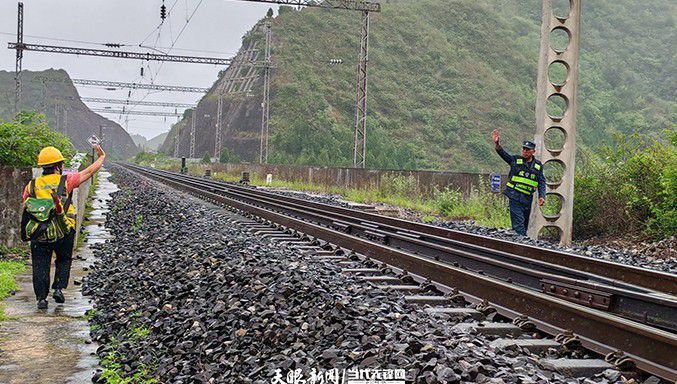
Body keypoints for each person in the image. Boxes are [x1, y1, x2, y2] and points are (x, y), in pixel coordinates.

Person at [22, 145, 105, 309]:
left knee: (40, 263)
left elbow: (27, 204)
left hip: (40, 231)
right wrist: (101, 157)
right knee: (64, 259)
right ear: (58, 166)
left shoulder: (32, 185)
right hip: (64, 228)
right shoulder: (66, 180)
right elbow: (89, 172)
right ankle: (58, 288)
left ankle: (41, 299)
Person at [491, 130, 545, 236]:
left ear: (533, 151)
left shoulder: (538, 166)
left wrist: (542, 196)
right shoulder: (515, 160)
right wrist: (497, 144)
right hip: (514, 196)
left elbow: (541, 181)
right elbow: (503, 154)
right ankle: (522, 245)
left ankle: (517, 243)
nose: (524, 151)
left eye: (527, 150)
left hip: (527, 199)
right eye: (524, 149)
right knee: (519, 225)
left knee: (524, 224)